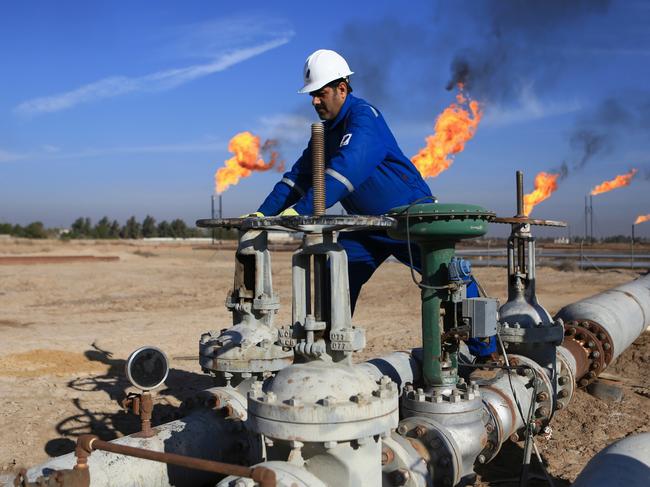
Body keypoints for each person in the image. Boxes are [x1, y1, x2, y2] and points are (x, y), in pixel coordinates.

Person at [253, 49, 434, 314]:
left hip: (407, 219)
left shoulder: (363, 117)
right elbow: (298, 179)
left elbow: (348, 168)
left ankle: (486, 349)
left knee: (447, 279)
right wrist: (262, 214)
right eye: (312, 96)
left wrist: (300, 210)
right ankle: (326, 349)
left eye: (320, 94)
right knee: (335, 278)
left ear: (341, 88)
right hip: (368, 227)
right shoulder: (325, 135)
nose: (314, 102)